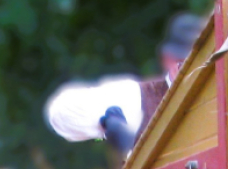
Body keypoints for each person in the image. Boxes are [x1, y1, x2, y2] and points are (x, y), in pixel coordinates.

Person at [43, 13, 205, 155]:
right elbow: (60, 113)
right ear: (168, 59)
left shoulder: (224, 98)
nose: (193, 70)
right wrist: (107, 120)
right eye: (184, 62)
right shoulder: (135, 98)